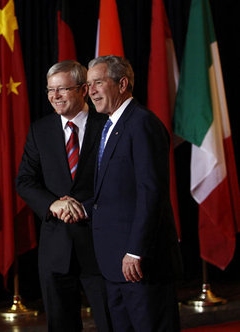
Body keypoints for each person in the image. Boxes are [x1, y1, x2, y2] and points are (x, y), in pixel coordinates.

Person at [85, 55, 182, 331]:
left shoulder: (141, 124)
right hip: (115, 265)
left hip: (140, 265)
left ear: (122, 83)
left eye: (98, 82)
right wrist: (82, 206)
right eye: (89, 84)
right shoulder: (110, 126)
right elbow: (117, 192)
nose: (91, 91)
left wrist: (135, 251)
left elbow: (151, 192)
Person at [16, 60, 112, 332]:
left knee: (112, 322)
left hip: (100, 242)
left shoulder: (105, 124)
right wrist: (53, 204)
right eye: (50, 90)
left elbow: (119, 181)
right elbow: (24, 180)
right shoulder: (40, 130)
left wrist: (85, 207)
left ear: (83, 90)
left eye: (62, 89)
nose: (54, 97)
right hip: (57, 246)